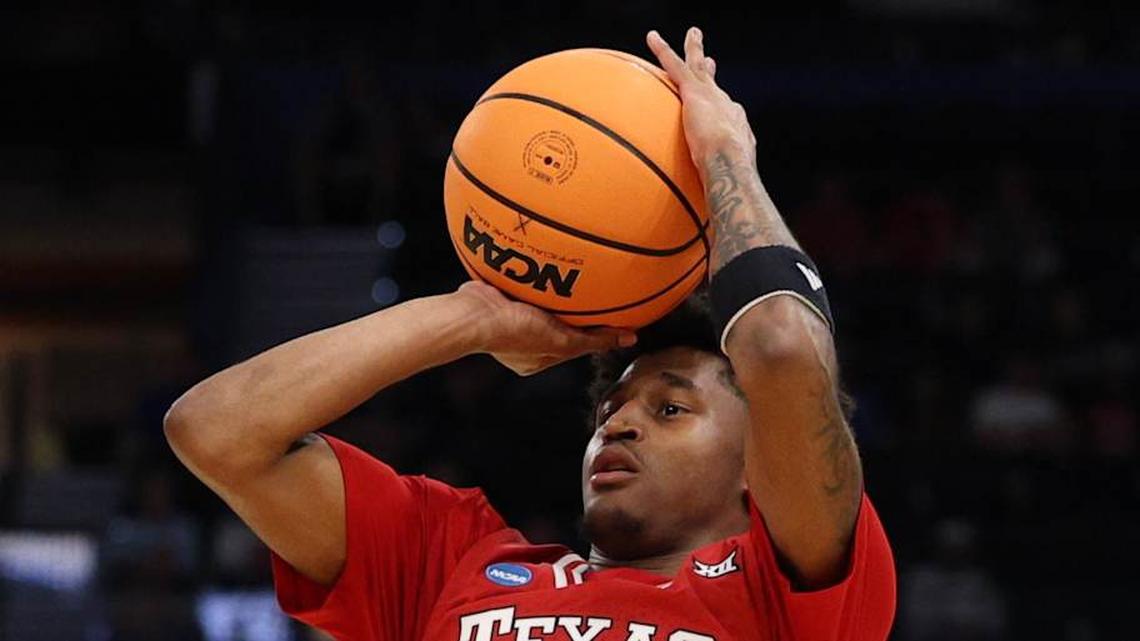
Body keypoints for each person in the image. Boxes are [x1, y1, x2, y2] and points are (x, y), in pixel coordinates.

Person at [165, 27, 896, 641]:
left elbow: (780, 346)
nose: (619, 426)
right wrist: (471, 318)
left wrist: (725, 157)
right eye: (609, 411)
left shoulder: (787, 591)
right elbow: (215, 430)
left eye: (671, 408)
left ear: (757, 466)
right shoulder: (450, 559)